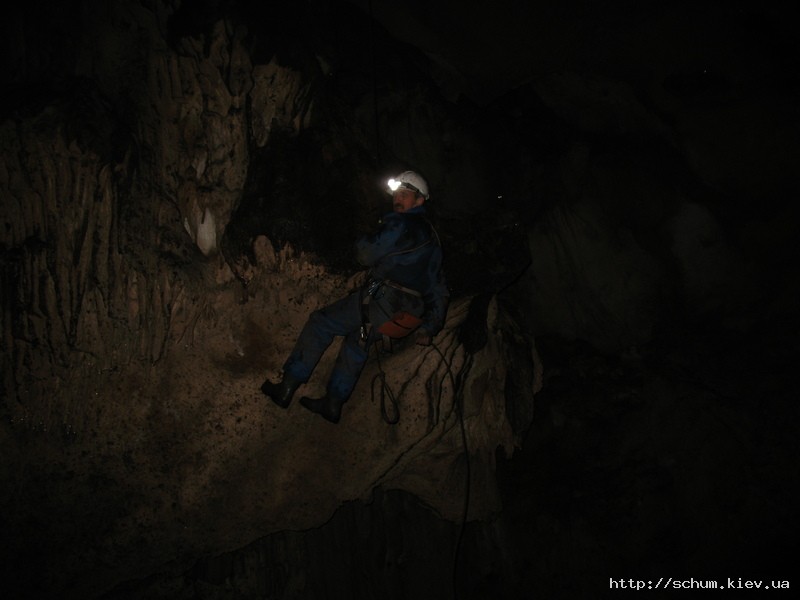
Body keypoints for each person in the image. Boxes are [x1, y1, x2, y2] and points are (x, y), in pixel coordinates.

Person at [261, 170, 449, 424]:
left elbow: (365, 255)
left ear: (420, 200)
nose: (397, 199)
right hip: (408, 312)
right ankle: (332, 404)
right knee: (358, 341)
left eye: (404, 194)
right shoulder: (433, 241)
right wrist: (429, 327)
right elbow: (438, 288)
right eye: (396, 194)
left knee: (321, 322)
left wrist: (364, 237)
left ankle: (286, 388)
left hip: (385, 298)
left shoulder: (401, 224)